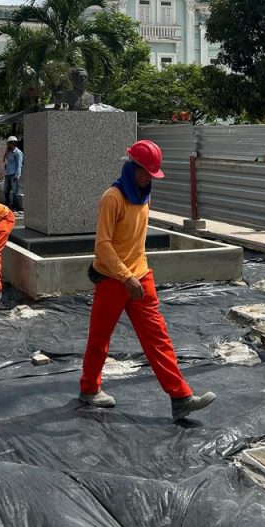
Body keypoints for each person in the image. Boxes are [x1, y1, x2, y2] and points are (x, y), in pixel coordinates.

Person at [79, 140, 216, 421]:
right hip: (112, 280)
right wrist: (125, 276)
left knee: (158, 338)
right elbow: (103, 245)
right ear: (133, 168)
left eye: (153, 175)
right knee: (100, 339)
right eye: (146, 173)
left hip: (141, 276)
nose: (149, 179)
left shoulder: (144, 196)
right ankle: (89, 388)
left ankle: (181, 397)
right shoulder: (112, 198)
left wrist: (137, 273)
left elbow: (136, 239)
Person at [3, 136, 23, 212]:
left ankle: (15, 206)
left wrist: (17, 175)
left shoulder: (18, 153)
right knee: (6, 190)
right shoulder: (9, 152)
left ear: (13, 143)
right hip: (8, 174)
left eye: (9, 143)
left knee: (15, 192)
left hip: (14, 174)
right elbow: (6, 161)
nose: (7, 145)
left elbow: (19, 165)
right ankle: (7, 204)